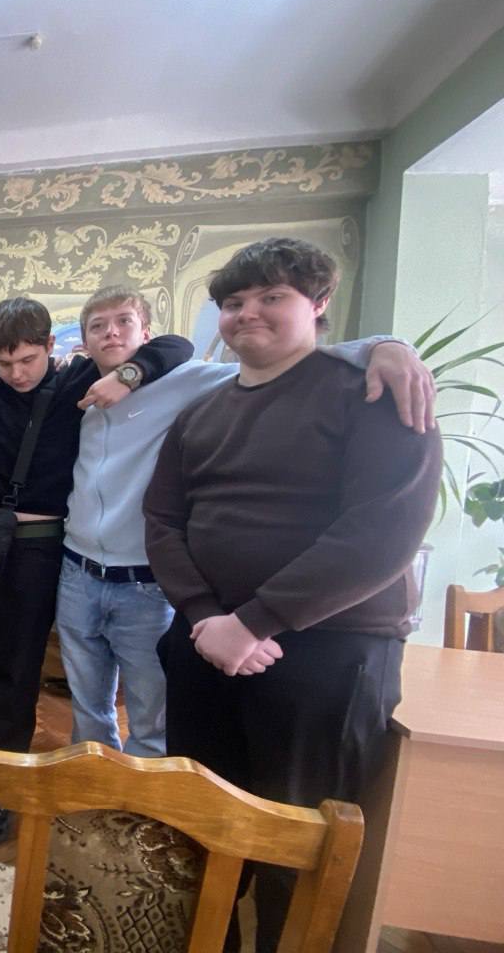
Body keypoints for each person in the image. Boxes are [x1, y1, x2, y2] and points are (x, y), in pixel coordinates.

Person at [143, 238, 441, 951]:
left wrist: (256, 621)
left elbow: (383, 530)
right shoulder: (201, 413)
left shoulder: (374, 393)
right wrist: (207, 617)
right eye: (234, 302)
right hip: (204, 643)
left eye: (272, 297)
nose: (248, 313)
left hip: (326, 654)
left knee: (301, 848)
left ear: (318, 303)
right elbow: (161, 519)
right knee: (203, 831)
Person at [57, 284, 435, 761]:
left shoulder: (190, 381)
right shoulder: (74, 385)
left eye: (123, 322)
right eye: (98, 326)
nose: (111, 333)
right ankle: (86, 784)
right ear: (85, 341)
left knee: (151, 712)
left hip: (145, 583)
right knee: (87, 703)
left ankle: (141, 797)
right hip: (78, 572)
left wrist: (384, 346)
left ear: (146, 332)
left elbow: (284, 358)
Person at [0, 296, 192, 847]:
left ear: (51, 346)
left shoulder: (80, 376)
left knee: (15, 671)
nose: (16, 374)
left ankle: (0, 789)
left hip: (34, 550)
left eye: (28, 360)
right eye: (5, 363)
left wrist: (129, 375)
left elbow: (175, 347)